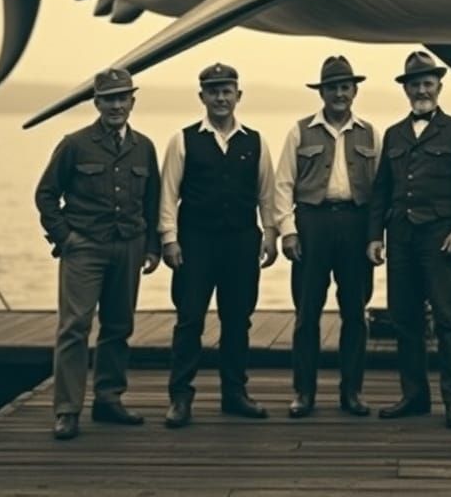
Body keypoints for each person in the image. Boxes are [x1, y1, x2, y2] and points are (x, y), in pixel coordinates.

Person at [35, 67, 161, 441]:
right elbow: (45, 194)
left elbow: (152, 200)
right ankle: (67, 410)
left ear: (132, 101)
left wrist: (152, 246)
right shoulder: (74, 144)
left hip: (129, 246)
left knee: (119, 325)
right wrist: (65, 237)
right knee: (74, 327)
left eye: (123, 98)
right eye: (109, 99)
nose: (117, 105)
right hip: (84, 247)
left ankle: (108, 398)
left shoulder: (144, 147)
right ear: (97, 102)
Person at [368, 51, 451, 429]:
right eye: (415, 84)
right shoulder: (394, 134)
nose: (422, 89)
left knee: (449, 320)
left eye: (428, 83)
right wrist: (375, 237)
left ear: (439, 86)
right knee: (405, 320)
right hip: (400, 239)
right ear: (406, 90)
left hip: (441, 240)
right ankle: (414, 396)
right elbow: (381, 191)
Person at [160, 62, 279, 427]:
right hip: (195, 241)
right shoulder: (183, 139)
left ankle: (235, 394)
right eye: (214, 91)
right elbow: (168, 195)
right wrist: (169, 239)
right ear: (202, 97)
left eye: (227, 91)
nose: (221, 97)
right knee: (189, 318)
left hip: (242, 241)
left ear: (238, 96)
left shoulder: (255, 141)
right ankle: (180, 397)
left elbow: (267, 194)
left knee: (237, 320)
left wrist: (271, 234)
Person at [274, 55, 380, 419]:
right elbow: (283, 184)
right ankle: (304, 393)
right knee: (307, 313)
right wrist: (287, 231)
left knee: (355, 311)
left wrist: (375, 236)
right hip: (311, 224)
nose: (339, 93)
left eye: (345, 87)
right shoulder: (299, 130)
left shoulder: (370, 133)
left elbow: (381, 190)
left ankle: (352, 392)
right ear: (321, 92)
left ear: (354, 91)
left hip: (356, 223)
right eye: (332, 87)